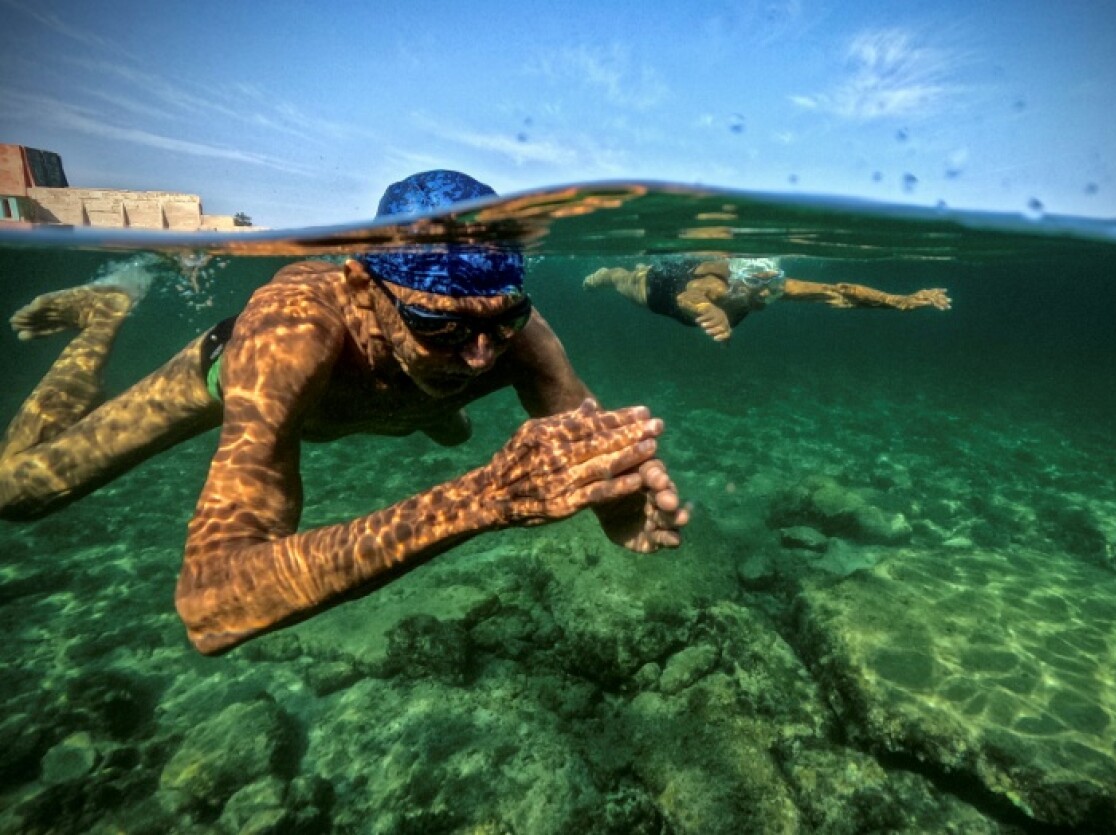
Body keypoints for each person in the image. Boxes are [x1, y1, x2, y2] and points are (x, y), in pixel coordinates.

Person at [0, 170, 689, 655]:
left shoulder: (518, 336)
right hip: (240, 372)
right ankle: (104, 313)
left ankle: (430, 405)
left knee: (448, 399)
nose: (483, 355)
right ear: (365, 286)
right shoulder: (289, 336)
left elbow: (593, 445)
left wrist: (621, 498)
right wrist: (484, 496)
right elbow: (210, 602)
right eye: (441, 325)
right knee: (20, 491)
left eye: (502, 321)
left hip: (406, 396)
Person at [583, 256, 951, 342]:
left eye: (770, 286)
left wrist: (900, 300)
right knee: (625, 279)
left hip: (689, 277)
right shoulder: (717, 285)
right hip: (658, 289)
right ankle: (610, 273)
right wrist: (713, 312)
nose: (766, 294)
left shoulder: (776, 286)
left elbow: (840, 291)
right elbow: (687, 297)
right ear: (738, 284)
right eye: (756, 288)